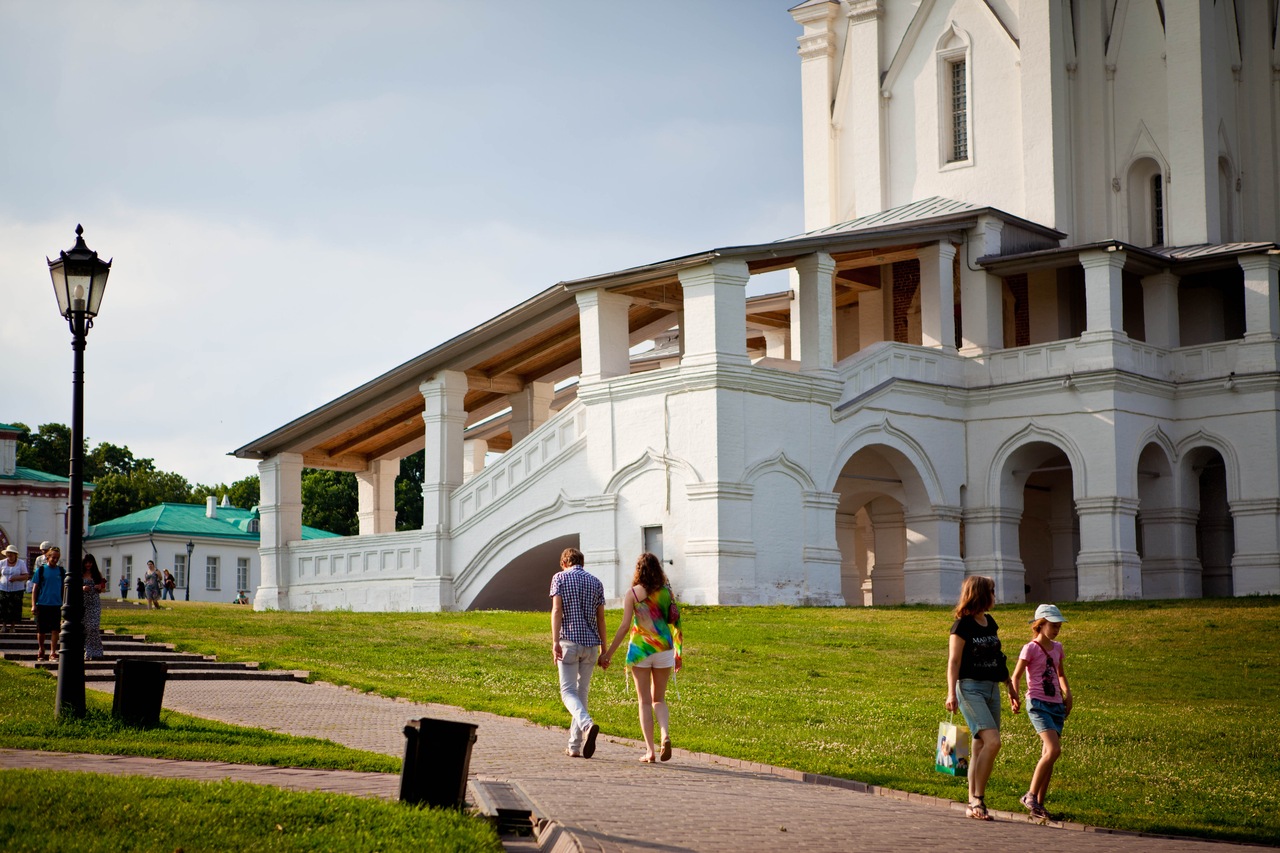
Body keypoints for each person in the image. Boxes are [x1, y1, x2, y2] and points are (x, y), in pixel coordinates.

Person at [945, 575, 1019, 821]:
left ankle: (972, 803)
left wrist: (1009, 685)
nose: (995, 596)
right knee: (993, 742)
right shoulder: (962, 625)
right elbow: (954, 661)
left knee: (979, 747)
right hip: (969, 688)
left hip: (991, 689)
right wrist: (950, 693)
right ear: (981, 594)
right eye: (992, 591)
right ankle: (978, 797)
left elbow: (998, 657)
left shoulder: (990, 621)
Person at [601, 552, 683, 763]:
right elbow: (676, 622)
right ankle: (665, 735)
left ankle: (650, 751)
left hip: (640, 651)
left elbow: (624, 627)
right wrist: (678, 653)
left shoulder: (633, 594)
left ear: (639, 570)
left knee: (644, 702)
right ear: (658, 569)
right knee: (659, 699)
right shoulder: (666, 593)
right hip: (664, 649)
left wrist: (608, 654)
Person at [1011, 604, 1073, 820]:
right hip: (1037, 703)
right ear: (1040, 624)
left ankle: (1039, 806)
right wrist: (1014, 696)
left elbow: (1061, 674)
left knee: (1048, 755)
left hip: (1056, 705)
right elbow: (1016, 675)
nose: (1056, 630)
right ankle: (1030, 795)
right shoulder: (1030, 648)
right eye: (1053, 625)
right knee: (1054, 750)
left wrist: (1068, 694)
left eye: (1058, 626)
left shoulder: (1058, 647)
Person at [549, 547, 606, 759]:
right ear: (582, 562)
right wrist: (604, 649)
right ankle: (574, 746)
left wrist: (555, 642)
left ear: (564, 562)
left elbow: (557, 610)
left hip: (569, 641)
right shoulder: (596, 582)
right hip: (591, 644)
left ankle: (587, 725)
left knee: (567, 692)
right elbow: (601, 619)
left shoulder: (559, 578)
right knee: (582, 693)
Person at [30, 546, 65, 662]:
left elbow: (65, 587)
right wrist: (33, 604)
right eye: (53, 557)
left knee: (55, 629)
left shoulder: (61, 571)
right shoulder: (41, 570)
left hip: (56, 604)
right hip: (42, 603)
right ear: (47, 557)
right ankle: (41, 649)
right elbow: (35, 588)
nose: (55, 560)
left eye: (57, 558)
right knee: (41, 630)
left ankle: (53, 652)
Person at [81, 554, 107, 660]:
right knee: (86, 628)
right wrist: (82, 587)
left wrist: (99, 587)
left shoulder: (97, 574)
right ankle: (89, 651)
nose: (88, 565)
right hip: (83, 603)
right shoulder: (80, 574)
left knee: (94, 627)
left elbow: (104, 589)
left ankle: (97, 650)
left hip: (94, 603)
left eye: (90, 562)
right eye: (86, 562)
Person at [0, 545, 30, 633]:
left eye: (11, 554)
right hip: (3, 588)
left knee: (15, 607)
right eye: (8, 553)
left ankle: (13, 626)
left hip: (17, 589)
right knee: (3, 606)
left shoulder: (21, 563)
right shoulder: (2, 563)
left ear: (15, 554)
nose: (10, 555)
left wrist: (16, 578)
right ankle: (4, 625)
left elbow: (26, 575)